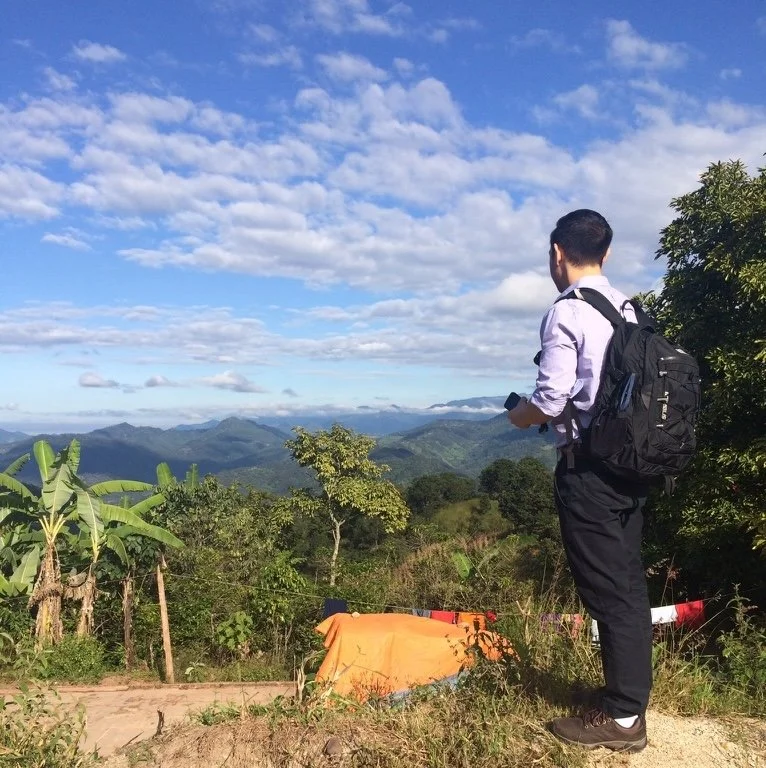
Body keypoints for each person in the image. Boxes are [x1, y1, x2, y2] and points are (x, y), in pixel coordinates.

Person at [508, 209, 651, 753]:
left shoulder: (565, 312)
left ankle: (621, 718)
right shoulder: (627, 307)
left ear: (556, 253)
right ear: (606, 253)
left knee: (609, 593)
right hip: (632, 466)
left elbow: (552, 399)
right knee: (628, 585)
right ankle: (625, 697)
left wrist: (519, 415)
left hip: (589, 469)